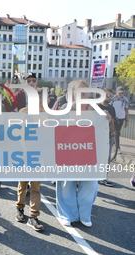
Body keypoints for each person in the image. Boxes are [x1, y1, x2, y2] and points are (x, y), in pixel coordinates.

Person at [56, 80, 98, 228]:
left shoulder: (95, 109)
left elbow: (103, 131)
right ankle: (67, 214)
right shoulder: (64, 109)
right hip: (68, 153)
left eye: (84, 92)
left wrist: (108, 120)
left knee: (90, 184)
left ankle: (85, 214)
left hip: (89, 154)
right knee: (67, 184)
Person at [15, 88, 45, 231]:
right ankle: (20, 208)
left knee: (36, 187)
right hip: (23, 154)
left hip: (39, 155)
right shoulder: (23, 112)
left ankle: (33, 216)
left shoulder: (47, 115)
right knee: (22, 184)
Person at [97, 88, 116, 187]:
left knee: (107, 157)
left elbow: (112, 121)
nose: (110, 98)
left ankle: (104, 176)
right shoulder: (96, 106)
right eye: (108, 96)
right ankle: (95, 175)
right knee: (96, 157)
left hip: (108, 137)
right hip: (97, 137)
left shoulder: (112, 108)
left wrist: (112, 134)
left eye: (111, 96)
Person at [112, 86, 129, 154]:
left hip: (121, 118)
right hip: (114, 117)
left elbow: (126, 110)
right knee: (117, 133)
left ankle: (113, 144)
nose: (120, 94)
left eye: (122, 93)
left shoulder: (125, 99)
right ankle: (117, 147)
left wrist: (126, 120)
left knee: (117, 132)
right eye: (119, 93)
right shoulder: (113, 99)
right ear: (116, 92)